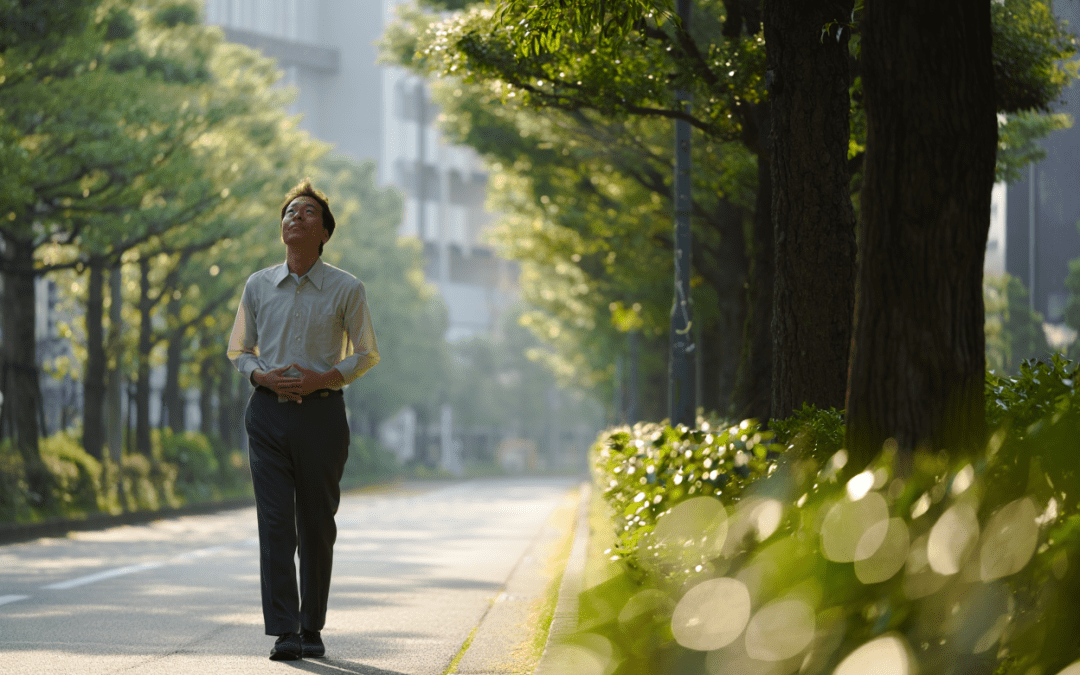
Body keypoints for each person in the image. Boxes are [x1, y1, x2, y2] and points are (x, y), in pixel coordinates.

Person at [227, 179, 379, 660]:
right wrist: (261, 377)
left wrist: (325, 377)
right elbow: (238, 350)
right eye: (290, 211)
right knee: (275, 524)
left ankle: (311, 626)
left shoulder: (346, 288)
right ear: (283, 228)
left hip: (321, 416)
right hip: (267, 414)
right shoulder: (257, 285)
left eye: (308, 212)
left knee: (316, 524)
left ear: (324, 232)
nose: (296, 217)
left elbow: (367, 353)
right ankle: (285, 630)